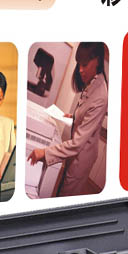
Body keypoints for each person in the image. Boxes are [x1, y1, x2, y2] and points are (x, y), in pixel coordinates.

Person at [28, 42, 108, 197]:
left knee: (67, 193)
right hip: (77, 151)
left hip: (83, 157)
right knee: (63, 185)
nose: (80, 70)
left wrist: (44, 152)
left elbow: (77, 144)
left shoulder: (101, 95)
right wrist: (74, 116)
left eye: (85, 65)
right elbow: (87, 112)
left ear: (97, 60)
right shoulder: (93, 81)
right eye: (79, 64)